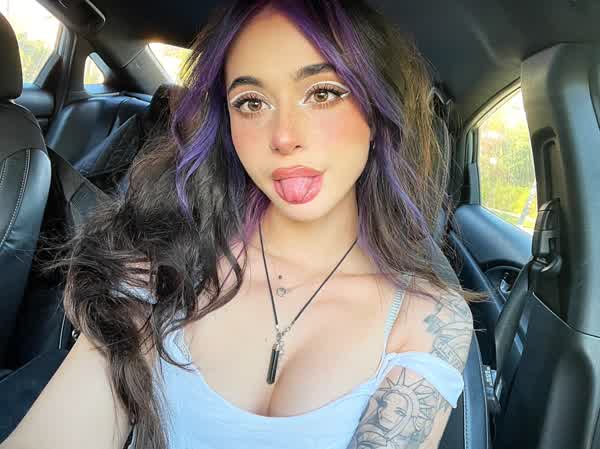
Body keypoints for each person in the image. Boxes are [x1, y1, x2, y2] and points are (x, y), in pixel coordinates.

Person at [2, 0, 476, 448]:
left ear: (377, 110)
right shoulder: (165, 257)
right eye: (251, 102)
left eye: (323, 93)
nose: (284, 137)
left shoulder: (428, 319)